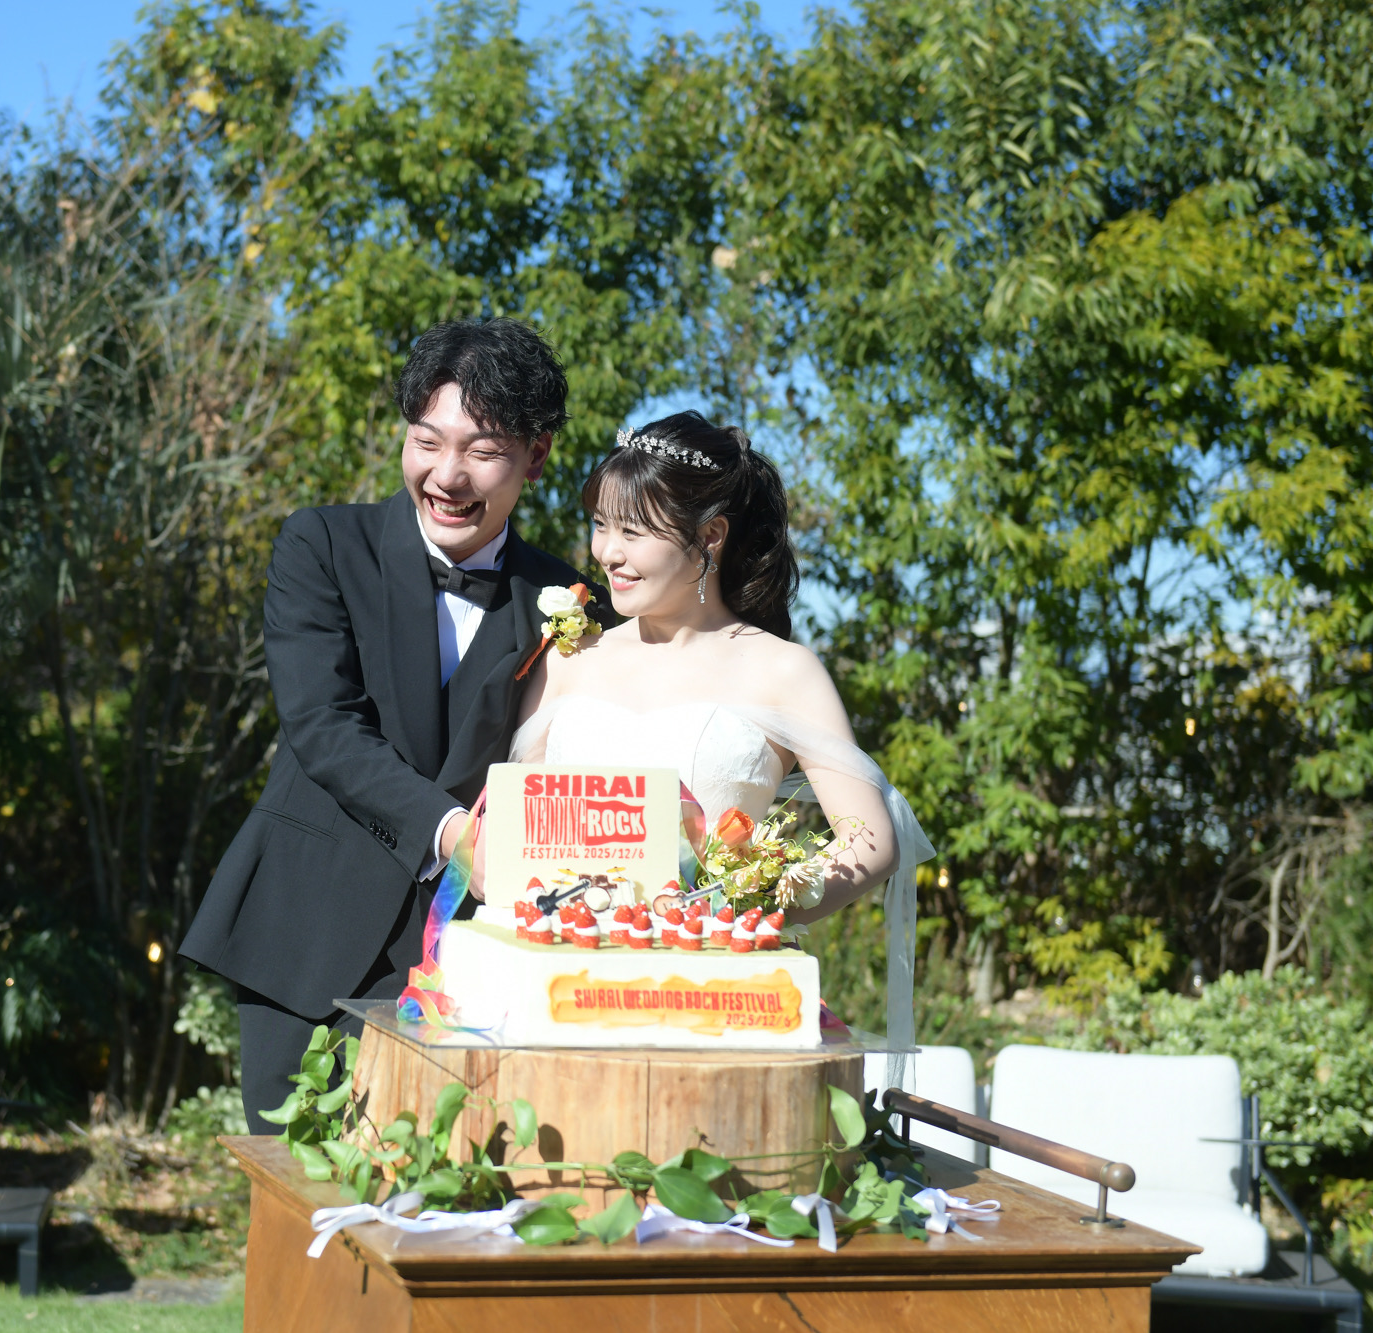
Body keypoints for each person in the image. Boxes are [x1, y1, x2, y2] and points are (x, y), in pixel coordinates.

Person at [180, 318, 610, 1129]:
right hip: (307, 935)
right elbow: (323, 726)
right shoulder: (322, 544)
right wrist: (455, 833)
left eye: (482, 450)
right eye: (427, 441)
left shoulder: (569, 602)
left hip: (475, 968)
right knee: (300, 1189)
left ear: (536, 456)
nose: (447, 475)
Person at [502, 411, 934, 1067]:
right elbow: (519, 825)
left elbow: (871, 841)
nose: (607, 552)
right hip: (560, 992)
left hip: (710, 1001)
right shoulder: (568, 658)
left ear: (710, 535)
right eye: (601, 524)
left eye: (633, 531)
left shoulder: (783, 671)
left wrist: (746, 905)